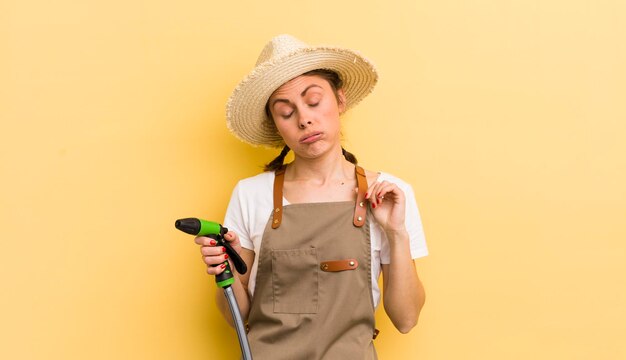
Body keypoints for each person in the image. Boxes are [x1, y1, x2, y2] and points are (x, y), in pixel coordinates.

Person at [194, 34, 428, 359]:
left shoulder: (389, 195)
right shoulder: (250, 194)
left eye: (314, 100)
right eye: (286, 112)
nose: (304, 119)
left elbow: (406, 319)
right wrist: (225, 273)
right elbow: (238, 316)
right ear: (276, 126)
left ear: (340, 100)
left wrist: (396, 232)